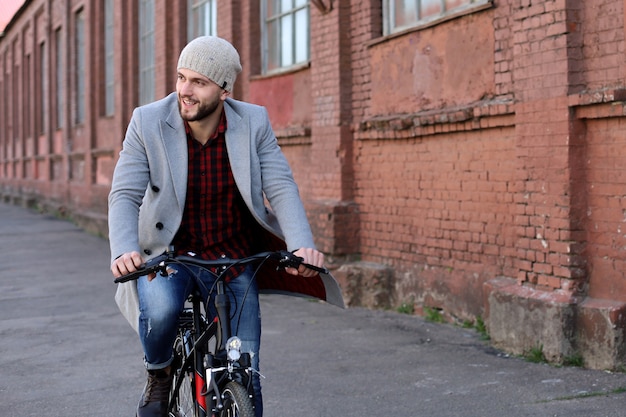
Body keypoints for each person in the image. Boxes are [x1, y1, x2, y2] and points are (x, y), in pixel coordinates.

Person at [108, 36, 330, 417]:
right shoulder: (147, 121)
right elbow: (124, 194)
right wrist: (124, 249)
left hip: (231, 254)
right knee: (160, 314)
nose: (185, 91)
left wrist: (301, 245)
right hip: (169, 254)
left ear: (224, 90)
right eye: (181, 78)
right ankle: (159, 372)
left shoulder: (253, 122)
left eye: (199, 82)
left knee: (245, 367)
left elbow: (280, 185)